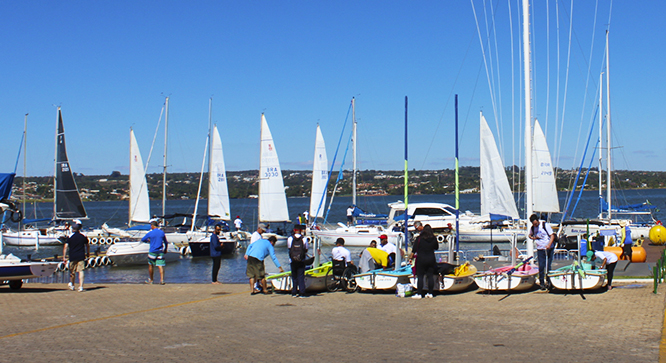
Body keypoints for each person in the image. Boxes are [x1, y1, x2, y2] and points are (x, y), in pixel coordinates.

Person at [408, 224, 438, 299]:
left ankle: (419, 293)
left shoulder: (419, 239)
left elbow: (414, 250)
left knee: (420, 276)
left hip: (421, 259)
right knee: (430, 276)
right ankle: (430, 293)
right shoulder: (434, 238)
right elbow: (436, 247)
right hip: (431, 258)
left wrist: (410, 258)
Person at [528, 214, 555, 291]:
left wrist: (549, 245)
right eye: (534, 224)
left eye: (536, 223)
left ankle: (549, 282)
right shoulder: (533, 228)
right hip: (540, 249)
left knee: (548, 266)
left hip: (548, 248)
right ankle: (542, 283)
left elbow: (552, 235)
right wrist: (533, 237)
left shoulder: (544, 225)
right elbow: (530, 235)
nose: (535, 225)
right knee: (541, 266)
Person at [62, 223, 89, 292]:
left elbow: (65, 247)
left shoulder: (70, 237)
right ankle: (81, 286)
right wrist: (88, 253)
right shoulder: (83, 236)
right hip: (81, 255)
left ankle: (73, 285)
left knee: (72, 271)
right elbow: (87, 245)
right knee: (81, 271)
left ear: (72, 229)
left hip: (72, 256)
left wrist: (64, 257)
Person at [141, 220, 169, 285]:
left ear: (152, 226)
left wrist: (148, 240)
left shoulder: (151, 233)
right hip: (160, 251)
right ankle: (162, 280)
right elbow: (166, 242)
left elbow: (143, 239)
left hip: (153, 251)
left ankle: (151, 280)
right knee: (160, 266)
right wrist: (165, 249)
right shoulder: (162, 232)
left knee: (151, 265)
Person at [288, 224, 309, 297]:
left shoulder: (290, 238)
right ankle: (302, 293)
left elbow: (289, 248)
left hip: (292, 260)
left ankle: (294, 292)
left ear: (294, 230)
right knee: (301, 276)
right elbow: (306, 248)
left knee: (294, 276)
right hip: (301, 260)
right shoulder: (304, 239)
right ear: (301, 231)